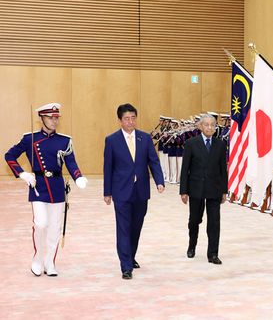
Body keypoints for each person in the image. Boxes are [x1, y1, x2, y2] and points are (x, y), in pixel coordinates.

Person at [5, 103, 88, 277]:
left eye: (57, 117)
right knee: (41, 223)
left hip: (57, 187)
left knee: (54, 228)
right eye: (50, 117)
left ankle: (50, 262)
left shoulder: (64, 140)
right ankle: (37, 258)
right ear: (42, 118)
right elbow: (9, 155)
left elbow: (71, 163)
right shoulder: (30, 139)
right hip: (38, 186)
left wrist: (78, 176)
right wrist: (22, 174)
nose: (54, 121)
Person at [103, 103, 165, 280]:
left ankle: (131, 255)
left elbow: (153, 161)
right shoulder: (112, 140)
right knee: (123, 227)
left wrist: (159, 181)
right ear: (120, 121)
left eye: (133, 118)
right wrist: (107, 192)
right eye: (126, 119)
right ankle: (126, 266)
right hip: (121, 191)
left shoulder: (145, 138)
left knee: (136, 226)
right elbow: (108, 167)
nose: (130, 122)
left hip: (141, 191)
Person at [180, 114, 228, 265]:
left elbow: (223, 170)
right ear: (200, 127)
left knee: (214, 222)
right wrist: (183, 190)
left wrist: (224, 191)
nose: (209, 127)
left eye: (212, 125)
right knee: (194, 220)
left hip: (214, 189)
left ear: (215, 127)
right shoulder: (191, 143)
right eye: (206, 125)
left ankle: (213, 253)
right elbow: (185, 169)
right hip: (196, 189)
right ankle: (192, 245)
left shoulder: (220, 145)